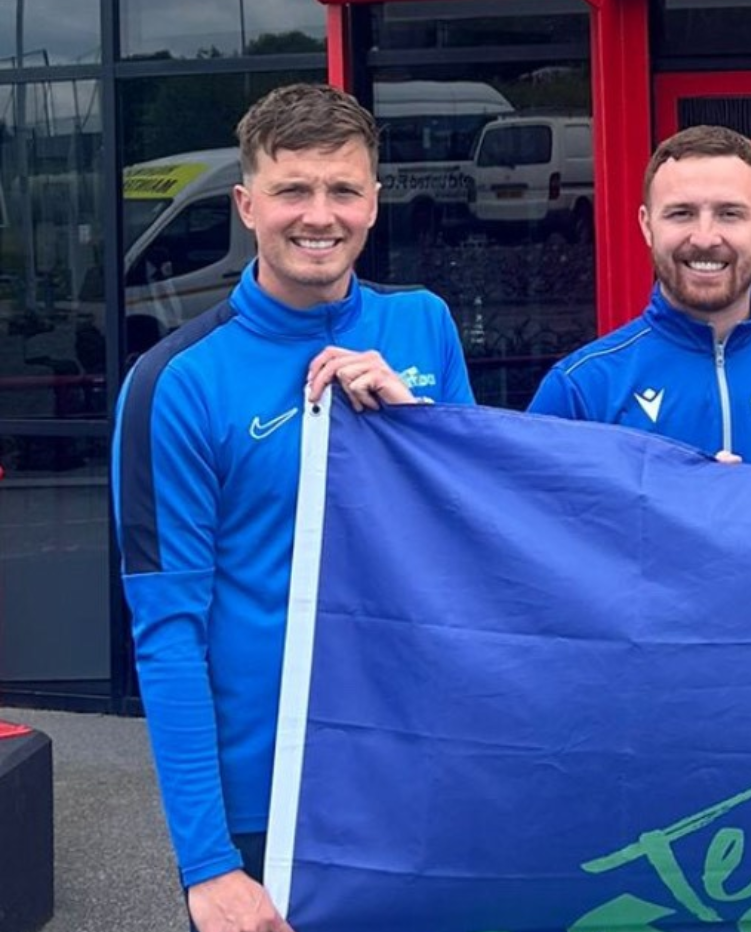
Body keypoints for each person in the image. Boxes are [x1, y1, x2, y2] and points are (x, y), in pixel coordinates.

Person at [112, 83, 474, 932]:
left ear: (375, 202)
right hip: (262, 804)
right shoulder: (177, 381)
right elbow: (167, 633)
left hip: (414, 773)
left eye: (344, 189)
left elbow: (476, 542)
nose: (321, 215)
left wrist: (415, 428)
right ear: (248, 204)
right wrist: (207, 866)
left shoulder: (423, 328)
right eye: (293, 190)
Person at [527, 125, 751, 463]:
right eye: (681, 213)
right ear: (647, 225)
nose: (705, 238)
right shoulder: (582, 388)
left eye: (729, 214)